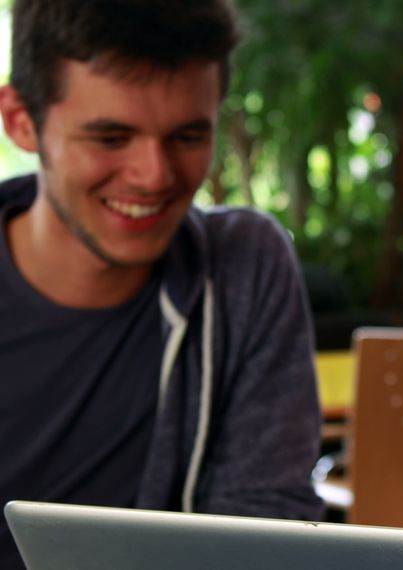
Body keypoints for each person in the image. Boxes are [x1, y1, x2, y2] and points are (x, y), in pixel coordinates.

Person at [0, 0, 323, 566]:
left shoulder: (243, 267)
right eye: (110, 137)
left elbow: (263, 532)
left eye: (187, 136)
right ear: (20, 121)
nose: (155, 176)